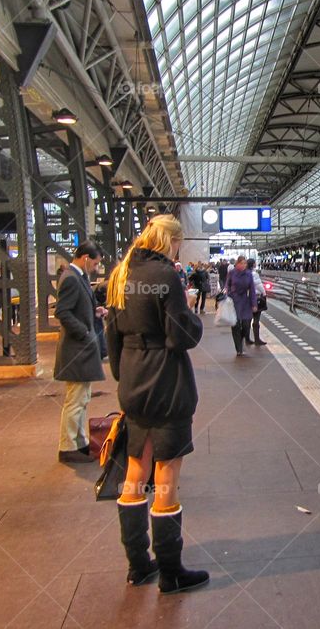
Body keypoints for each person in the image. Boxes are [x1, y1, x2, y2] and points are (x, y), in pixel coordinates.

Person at [105, 214, 209, 593]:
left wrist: (124, 376)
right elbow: (180, 335)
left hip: (133, 380)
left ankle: (138, 566)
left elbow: (112, 337)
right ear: (172, 241)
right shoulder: (165, 275)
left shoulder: (121, 274)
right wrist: (193, 316)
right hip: (166, 382)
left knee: (136, 469)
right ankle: (170, 571)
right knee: (166, 474)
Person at [54, 242, 106, 463]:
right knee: (75, 400)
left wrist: (94, 312)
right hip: (76, 349)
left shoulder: (78, 277)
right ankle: (68, 447)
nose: (96, 267)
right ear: (85, 258)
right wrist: (84, 332)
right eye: (95, 263)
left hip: (81, 348)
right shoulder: (71, 279)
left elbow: (75, 309)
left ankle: (80, 442)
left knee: (82, 398)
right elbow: (62, 312)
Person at [226, 255, 258, 356]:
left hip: (245, 301)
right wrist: (228, 295)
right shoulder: (232, 273)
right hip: (234, 301)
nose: (244, 265)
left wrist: (254, 303)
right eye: (241, 263)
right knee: (235, 325)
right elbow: (227, 285)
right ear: (237, 264)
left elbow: (252, 289)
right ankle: (238, 348)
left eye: (245, 263)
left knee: (246, 325)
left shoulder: (249, 274)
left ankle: (241, 339)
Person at [246, 258, 268, 346]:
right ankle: (257, 339)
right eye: (255, 263)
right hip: (256, 297)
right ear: (253, 264)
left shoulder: (245, 273)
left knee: (248, 319)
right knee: (256, 318)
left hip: (247, 298)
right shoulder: (254, 274)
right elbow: (259, 285)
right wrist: (264, 293)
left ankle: (247, 339)